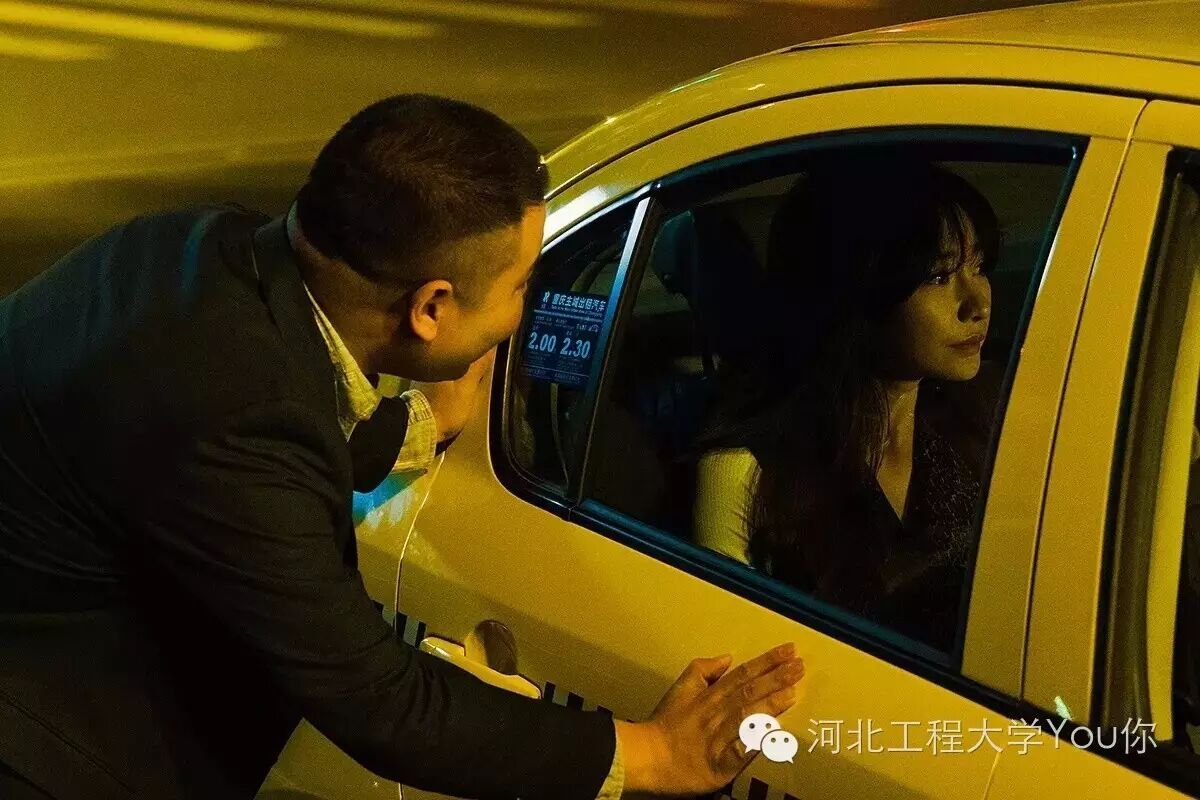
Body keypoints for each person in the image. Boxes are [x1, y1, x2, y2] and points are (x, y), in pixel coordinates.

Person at [0, 94, 805, 800]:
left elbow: (241, 457)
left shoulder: (195, 248)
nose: (523, 316)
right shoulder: (237, 416)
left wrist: (417, 426)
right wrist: (654, 752)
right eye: (522, 286)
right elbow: (379, 701)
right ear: (431, 309)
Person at [694, 158, 1001, 651]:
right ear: (857, 288)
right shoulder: (751, 471)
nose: (977, 303)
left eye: (979, 267)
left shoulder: (987, 419)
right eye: (939, 276)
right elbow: (733, 664)